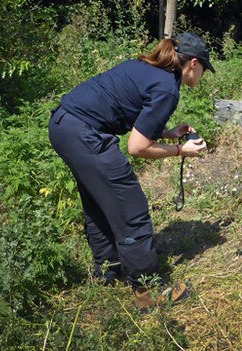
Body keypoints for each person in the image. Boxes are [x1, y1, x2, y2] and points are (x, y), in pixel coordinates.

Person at [48, 32, 215, 311]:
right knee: (130, 207)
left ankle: (107, 270)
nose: (201, 77)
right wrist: (180, 151)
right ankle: (147, 292)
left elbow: (129, 116)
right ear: (193, 64)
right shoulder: (167, 88)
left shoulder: (147, 68)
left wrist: (168, 133)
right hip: (84, 133)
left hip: (63, 125)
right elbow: (136, 147)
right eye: (203, 71)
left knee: (98, 201)